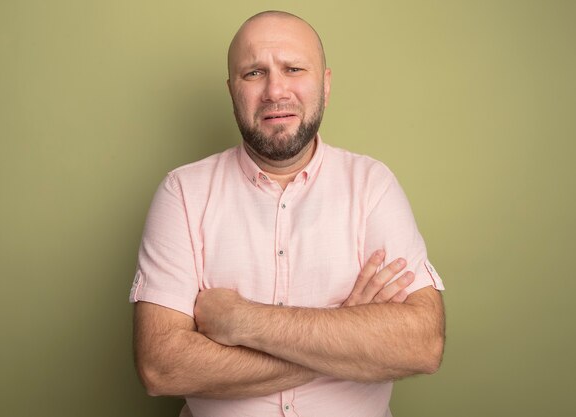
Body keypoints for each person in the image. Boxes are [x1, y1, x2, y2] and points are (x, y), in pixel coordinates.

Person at [130, 10, 445, 417]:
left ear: (326, 85)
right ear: (231, 91)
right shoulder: (183, 193)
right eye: (254, 74)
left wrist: (242, 321)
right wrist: (344, 337)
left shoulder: (372, 185)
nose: (275, 91)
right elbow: (161, 367)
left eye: (293, 68)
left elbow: (422, 345)